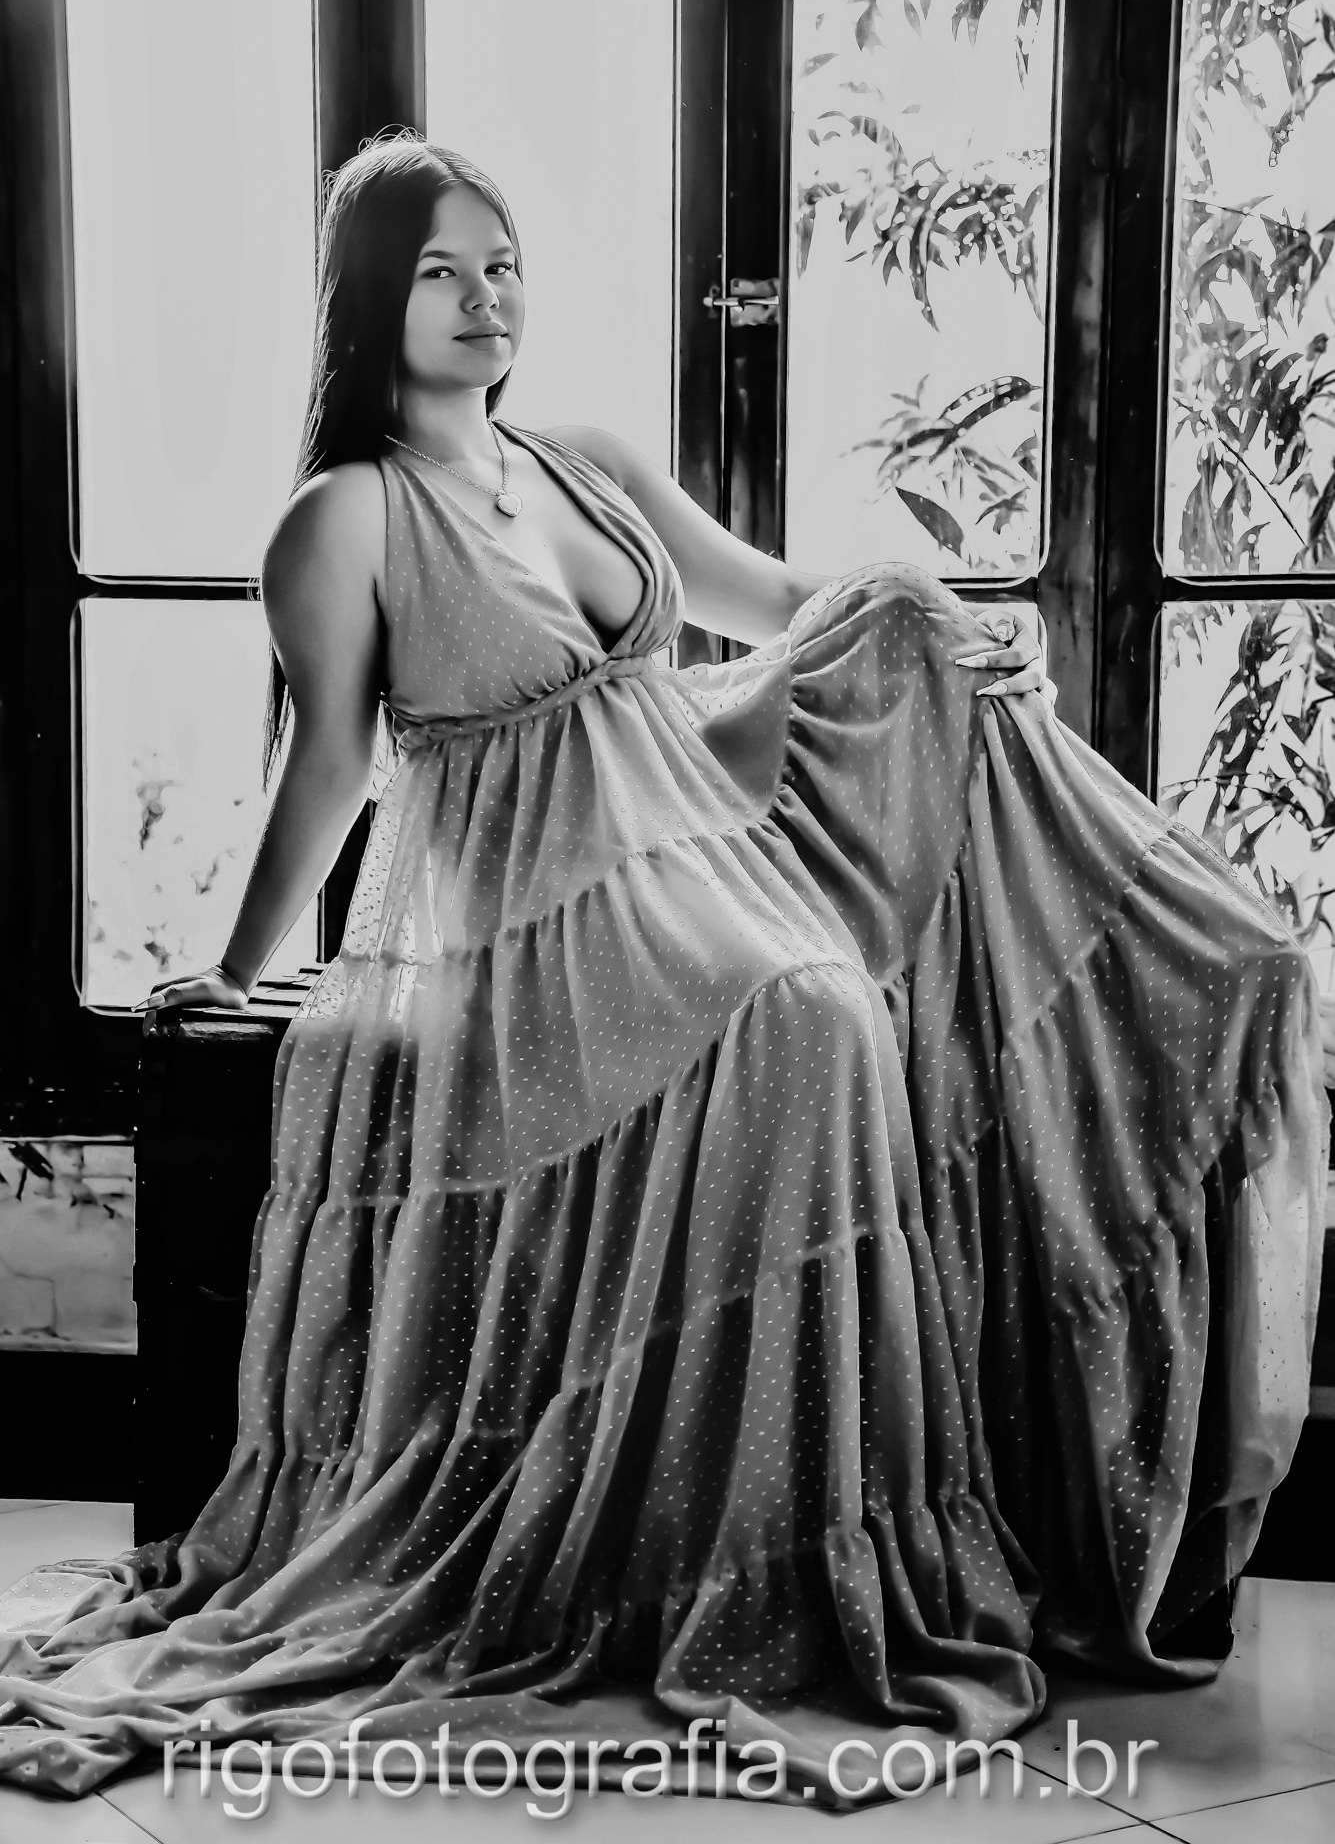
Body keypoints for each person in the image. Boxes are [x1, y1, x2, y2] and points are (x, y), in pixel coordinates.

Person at [0, 136, 1325, 1806]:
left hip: (702, 847)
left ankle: (827, 1504)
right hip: (535, 927)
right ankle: (740, 1551)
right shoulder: (340, 520)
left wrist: (955, 619)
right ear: (367, 297)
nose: (485, 301)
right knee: (809, 1013)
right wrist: (236, 963)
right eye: (440, 272)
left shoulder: (589, 463)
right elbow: (330, 764)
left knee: (901, 671)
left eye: (504, 267)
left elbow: (776, 605)